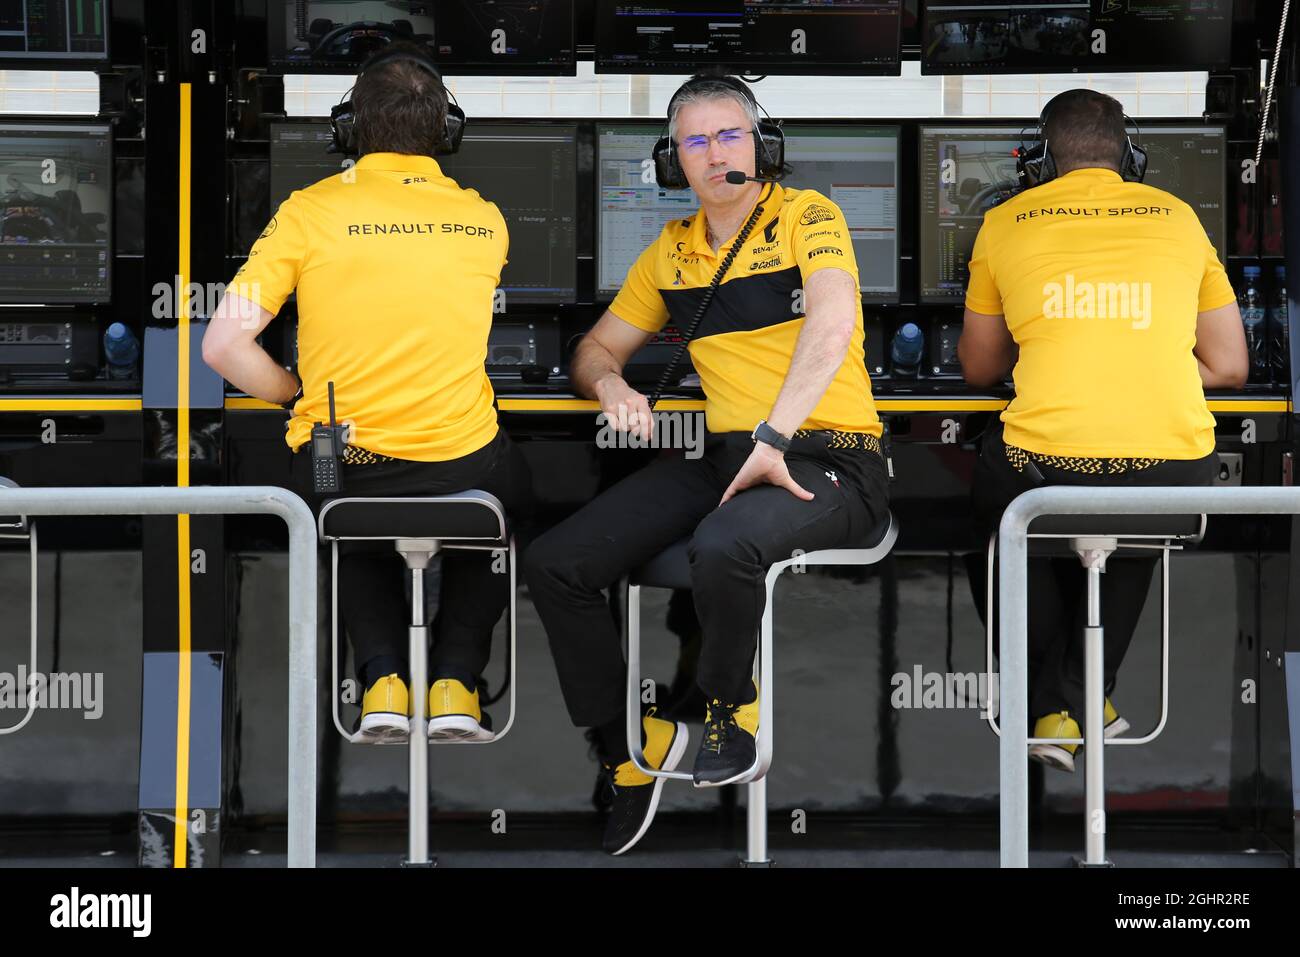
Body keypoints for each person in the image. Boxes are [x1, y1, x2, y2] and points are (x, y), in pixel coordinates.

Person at [524, 75, 890, 854]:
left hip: (835, 457)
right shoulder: (671, 252)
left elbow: (831, 328)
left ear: (763, 147)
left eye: (729, 135)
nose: (715, 152)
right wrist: (613, 383)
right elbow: (593, 349)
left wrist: (775, 435)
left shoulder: (809, 216)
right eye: (696, 140)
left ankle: (730, 710)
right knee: (557, 562)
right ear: (672, 161)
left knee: (725, 544)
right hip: (728, 454)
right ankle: (626, 753)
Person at [203, 41, 530, 743]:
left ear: (350, 129)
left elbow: (222, 346)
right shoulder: (486, 219)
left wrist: (298, 395)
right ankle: (455, 680)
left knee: (344, 512)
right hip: (460, 465)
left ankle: (381, 676)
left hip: (338, 459)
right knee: (512, 488)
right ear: (447, 131)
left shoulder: (309, 212)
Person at [959, 88, 1247, 771]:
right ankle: (1086, 694)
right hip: (1175, 477)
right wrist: (1153, 364)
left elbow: (979, 368)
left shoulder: (1005, 221)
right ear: (1131, 157)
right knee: (1132, 518)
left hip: (1048, 477)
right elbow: (1231, 365)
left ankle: (1048, 705)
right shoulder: (1180, 219)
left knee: (989, 520)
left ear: (1038, 161)